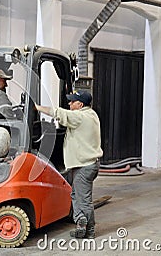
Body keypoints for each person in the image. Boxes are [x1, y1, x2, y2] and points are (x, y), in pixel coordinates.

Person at [35, 90, 103, 239]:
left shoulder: (80, 116)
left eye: (72, 102)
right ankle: (81, 223)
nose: (69, 104)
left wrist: (37, 108)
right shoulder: (92, 114)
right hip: (86, 164)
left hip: (84, 166)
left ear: (80, 104)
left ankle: (88, 229)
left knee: (83, 199)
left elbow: (59, 113)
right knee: (76, 195)